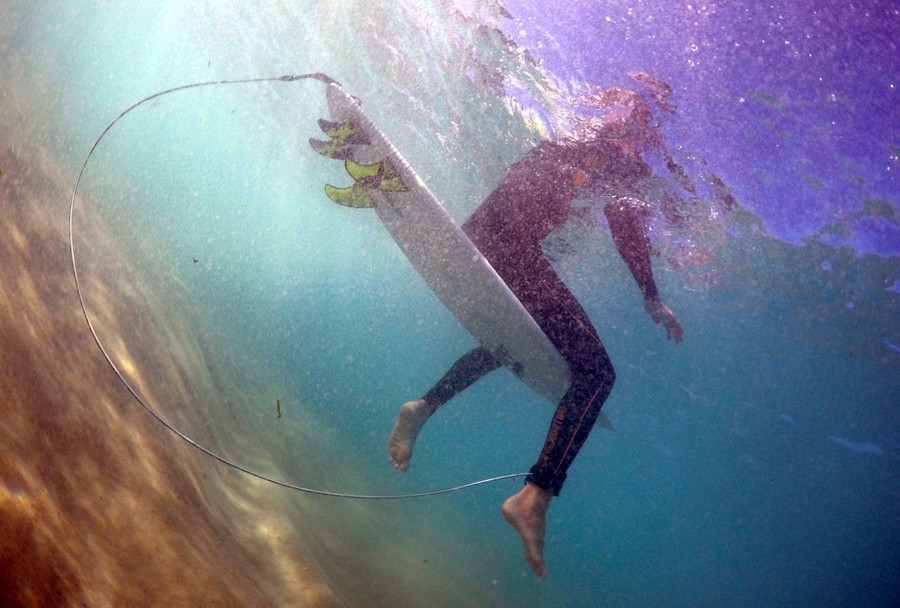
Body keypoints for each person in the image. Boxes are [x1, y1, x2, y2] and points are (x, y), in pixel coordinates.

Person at [387, 78, 685, 579]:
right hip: (510, 246)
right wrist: (651, 296)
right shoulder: (616, 152)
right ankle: (536, 496)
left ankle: (422, 407)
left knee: (515, 342)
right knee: (596, 374)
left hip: (483, 234)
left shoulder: (576, 139)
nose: (649, 143)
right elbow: (625, 222)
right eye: (651, 130)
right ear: (641, 126)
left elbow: (528, 187)